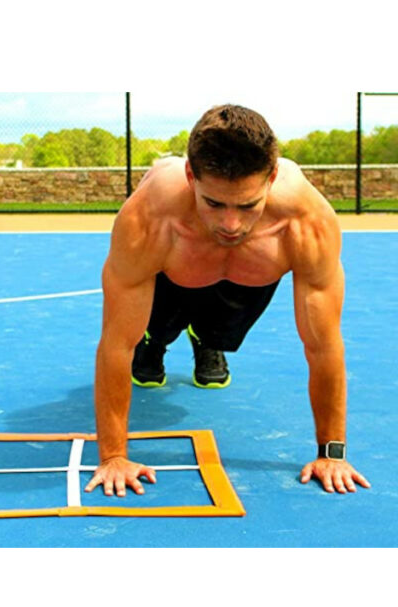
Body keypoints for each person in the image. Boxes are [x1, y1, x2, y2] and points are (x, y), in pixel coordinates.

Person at [85, 104, 371, 497]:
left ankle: (206, 339)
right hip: (173, 269)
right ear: (191, 176)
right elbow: (117, 343)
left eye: (248, 205)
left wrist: (332, 454)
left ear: (272, 178)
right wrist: (113, 456)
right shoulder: (149, 217)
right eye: (215, 203)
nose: (231, 224)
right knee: (150, 336)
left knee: (219, 331)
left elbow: (322, 344)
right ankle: (157, 342)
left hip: (249, 278)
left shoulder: (306, 221)